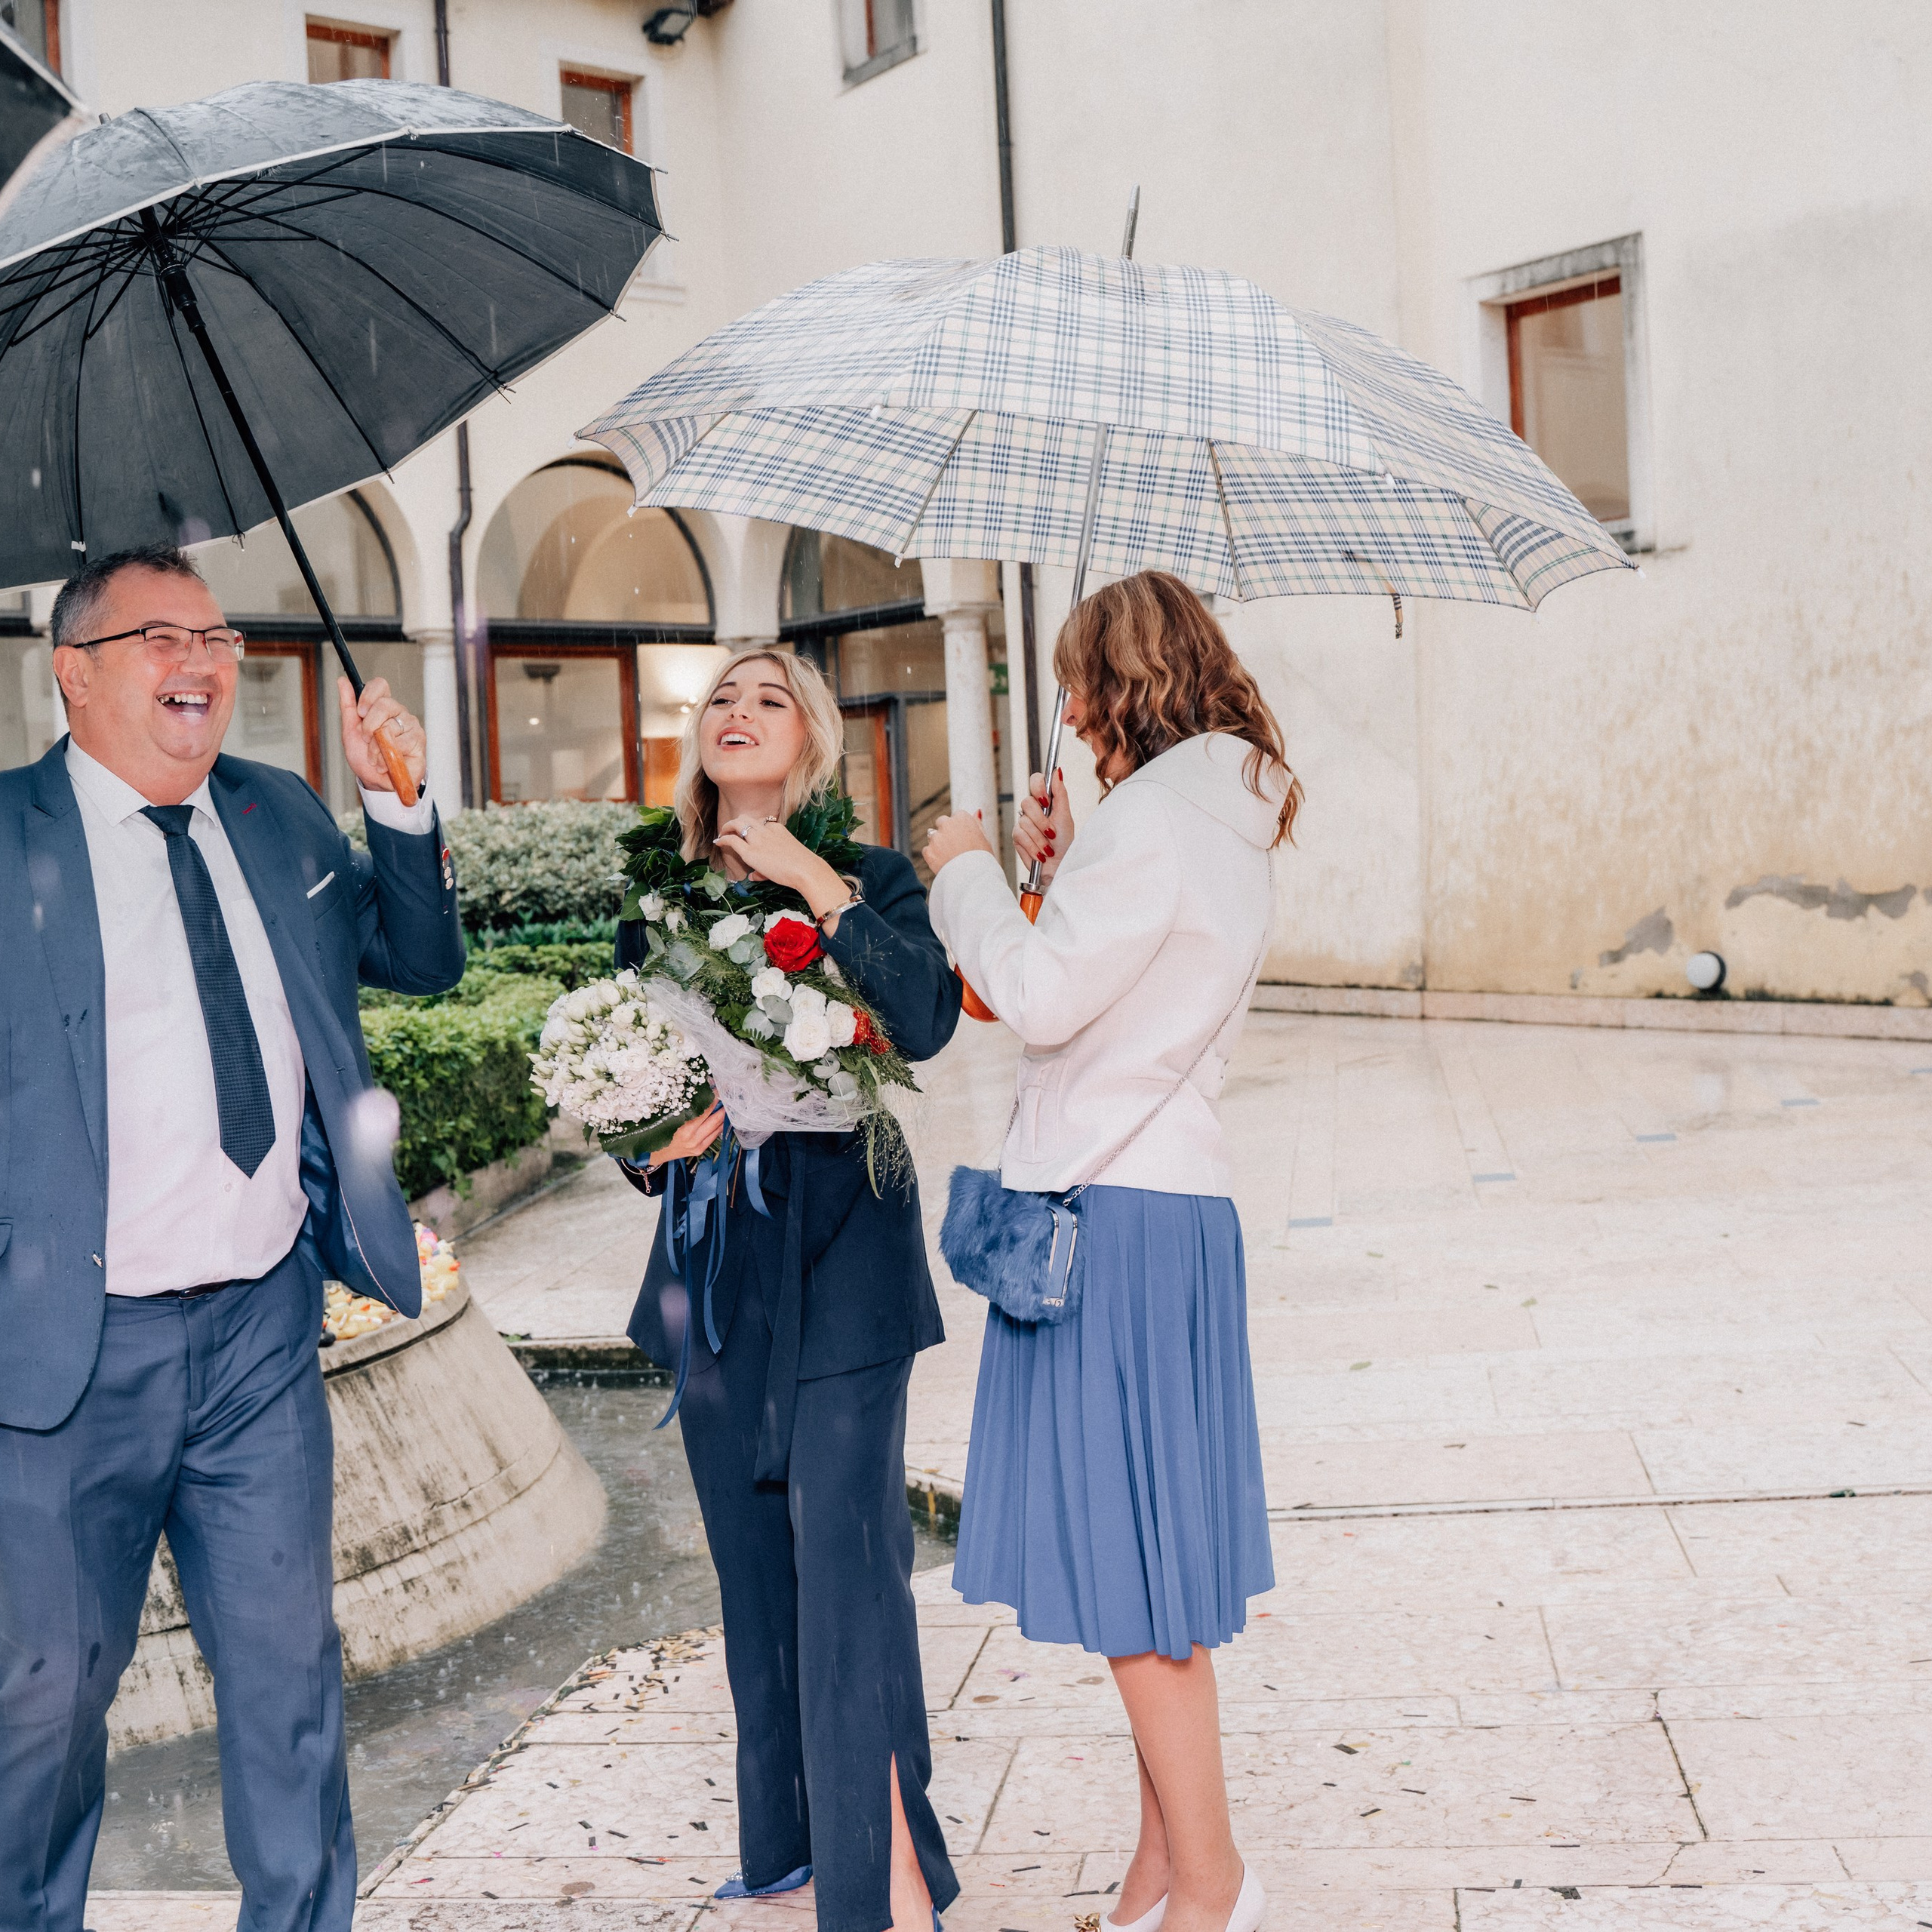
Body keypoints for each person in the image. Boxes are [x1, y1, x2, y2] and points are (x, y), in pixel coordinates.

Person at [0, 543, 463, 1932]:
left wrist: (401, 806)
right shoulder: (8, 837)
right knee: (44, 1700)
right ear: (74, 674)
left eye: (218, 637)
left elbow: (422, 960)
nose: (202, 661)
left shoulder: (279, 814)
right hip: (67, 1349)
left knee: (288, 1683)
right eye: (161, 637)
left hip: (259, 1326)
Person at [922, 571, 1300, 1932]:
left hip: (1112, 1221)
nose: (1072, 712)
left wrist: (964, 871)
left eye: (1081, 684)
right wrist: (1063, 863)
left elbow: (1035, 997)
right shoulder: (1214, 808)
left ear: (1127, 681)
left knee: (1138, 1589)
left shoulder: (1157, 821)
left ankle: (1213, 1887)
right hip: (1169, 1211)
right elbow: (1119, 981)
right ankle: (1161, 1868)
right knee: (1154, 1570)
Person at [614, 648, 962, 1932]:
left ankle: (886, 1880)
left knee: (849, 1553)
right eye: (723, 696)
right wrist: (650, 1143)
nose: (740, 711)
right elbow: (625, 1079)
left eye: (772, 699)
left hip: (847, 1232)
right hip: (714, 1251)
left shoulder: (869, 877)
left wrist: (819, 888)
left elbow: (926, 1020)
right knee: (753, 1558)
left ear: (812, 742)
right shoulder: (652, 900)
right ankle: (792, 1839)